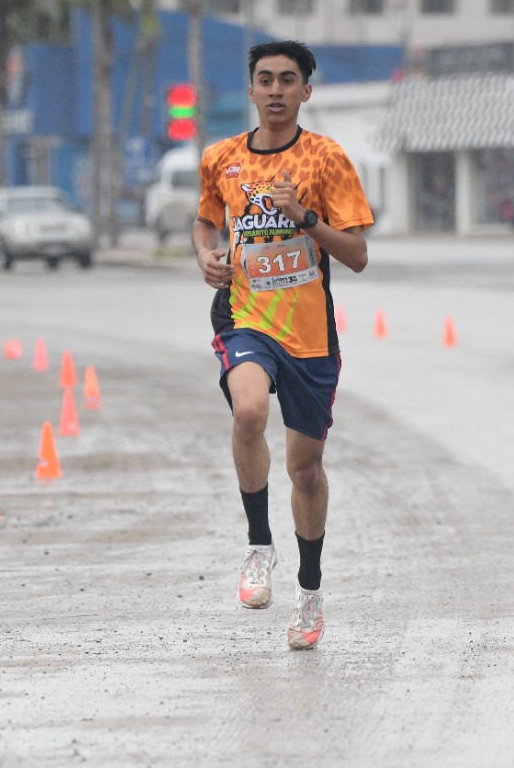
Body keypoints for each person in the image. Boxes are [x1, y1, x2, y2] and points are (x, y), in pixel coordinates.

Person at [191, 41, 373, 650]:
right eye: (264, 80)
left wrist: (305, 221)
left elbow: (358, 257)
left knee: (306, 468)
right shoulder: (221, 157)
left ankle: (311, 592)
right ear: (249, 91)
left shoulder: (327, 159)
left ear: (305, 92)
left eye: (287, 80)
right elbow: (204, 218)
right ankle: (257, 547)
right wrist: (205, 257)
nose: (275, 90)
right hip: (244, 316)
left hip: (311, 335)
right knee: (247, 410)